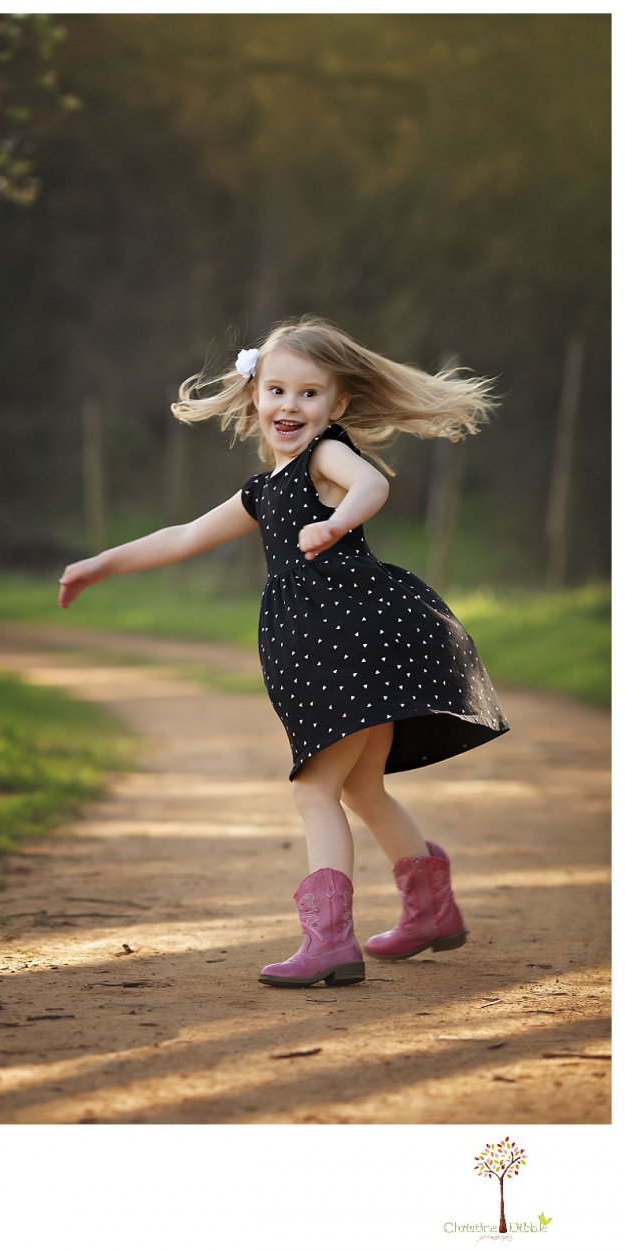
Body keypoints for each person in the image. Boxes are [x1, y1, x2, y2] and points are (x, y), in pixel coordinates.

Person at [59, 315, 510, 989]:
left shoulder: (328, 457)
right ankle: (431, 908)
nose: (289, 406)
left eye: (307, 393)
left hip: (348, 642)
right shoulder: (265, 489)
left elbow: (373, 486)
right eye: (276, 390)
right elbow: (183, 536)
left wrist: (335, 521)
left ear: (337, 404)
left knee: (315, 790)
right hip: (341, 646)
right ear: (254, 397)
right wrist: (102, 562)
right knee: (360, 785)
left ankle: (329, 940)